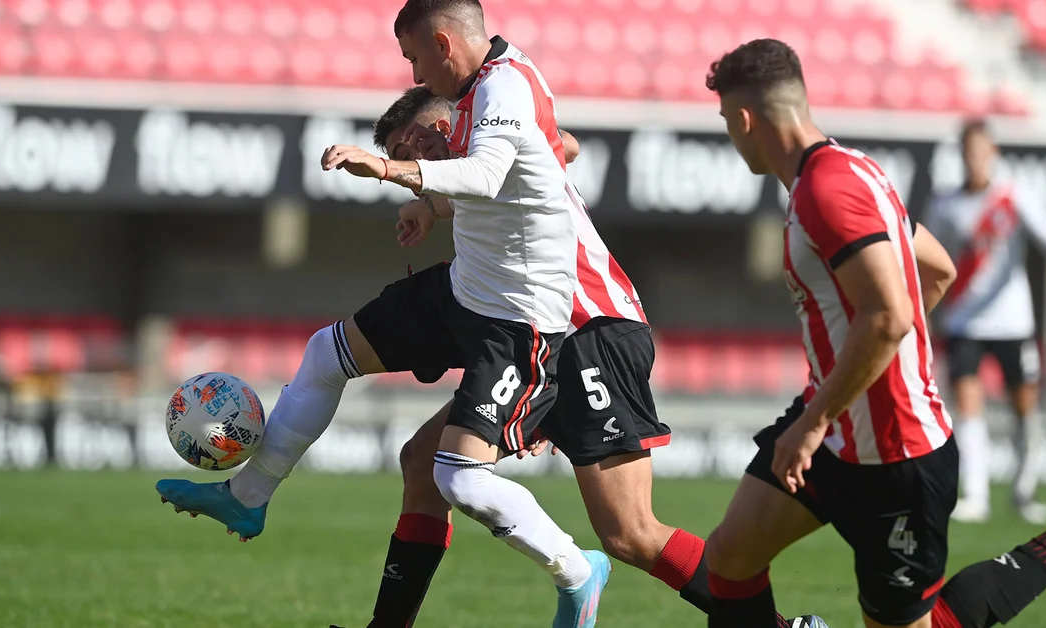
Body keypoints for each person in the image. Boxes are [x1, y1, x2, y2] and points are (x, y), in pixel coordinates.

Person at [156, 1, 614, 626]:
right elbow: (549, 150)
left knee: (457, 479)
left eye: (414, 56)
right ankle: (247, 496)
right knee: (327, 352)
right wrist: (430, 202)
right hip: (464, 291)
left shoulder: (504, 84)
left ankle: (578, 571)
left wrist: (391, 168)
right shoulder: (486, 90)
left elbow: (487, 173)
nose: (416, 73)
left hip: (517, 319)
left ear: (444, 44)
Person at [702, 38, 1046, 628]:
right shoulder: (850, 171)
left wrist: (822, 415)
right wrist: (860, 379)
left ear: (745, 120)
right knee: (731, 559)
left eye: (726, 123)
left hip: (896, 454)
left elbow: (890, 316)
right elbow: (936, 269)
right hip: (836, 431)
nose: (730, 138)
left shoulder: (825, 190)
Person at [353, 86, 830, 628]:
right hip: (542, 341)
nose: (407, 164)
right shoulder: (479, 166)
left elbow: (562, 147)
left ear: (438, 129)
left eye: (406, 149)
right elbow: (566, 148)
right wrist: (434, 204)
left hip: (588, 332)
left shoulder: (493, 145)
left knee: (631, 533)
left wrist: (427, 197)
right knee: (423, 461)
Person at [923, 119, 1046, 524]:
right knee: (967, 404)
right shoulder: (946, 204)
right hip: (963, 322)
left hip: (1012, 322)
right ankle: (975, 495)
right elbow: (925, 249)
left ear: (992, 154)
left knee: (1024, 408)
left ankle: (1023, 491)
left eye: (982, 151)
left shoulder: (1012, 196)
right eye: (969, 152)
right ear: (961, 156)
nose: (975, 159)